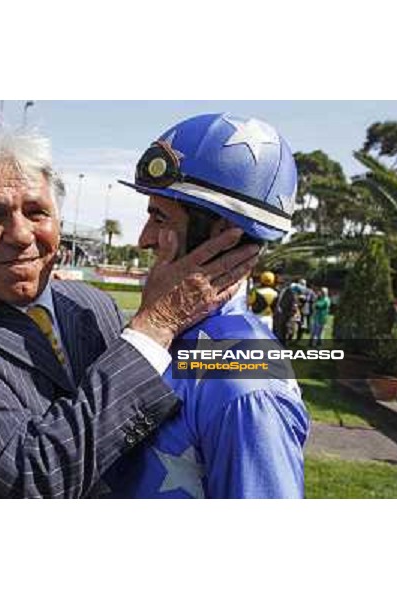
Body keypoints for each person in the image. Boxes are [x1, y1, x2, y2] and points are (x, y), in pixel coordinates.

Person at [0, 127, 258, 498]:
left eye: (36, 212)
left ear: (59, 220)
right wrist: (155, 324)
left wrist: (262, 370)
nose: (21, 234)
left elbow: (149, 394)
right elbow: (34, 478)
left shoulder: (92, 304)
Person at [97, 113, 309, 498]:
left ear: (223, 237)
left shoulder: (244, 381)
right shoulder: (167, 331)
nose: (144, 240)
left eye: (159, 217)